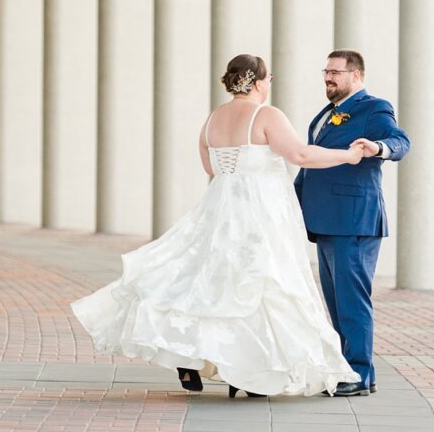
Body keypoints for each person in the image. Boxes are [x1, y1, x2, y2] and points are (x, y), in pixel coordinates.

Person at [71, 54, 363, 397]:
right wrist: (349, 155)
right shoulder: (266, 115)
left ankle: (194, 359)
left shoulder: (213, 118)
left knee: (211, 281)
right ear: (256, 82)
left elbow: (210, 167)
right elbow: (299, 155)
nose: (270, 84)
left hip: (219, 207)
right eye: (269, 79)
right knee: (261, 282)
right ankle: (252, 372)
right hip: (259, 211)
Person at [294, 49, 411, 397]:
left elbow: (400, 141)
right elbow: (311, 164)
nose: (329, 78)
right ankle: (348, 369)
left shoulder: (373, 107)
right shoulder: (327, 115)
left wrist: (377, 147)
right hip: (326, 220)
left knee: (352, 300)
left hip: (354, 221)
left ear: (356, 76)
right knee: (335, 301)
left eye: (336, 73)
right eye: (326, 72)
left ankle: (360, 373)